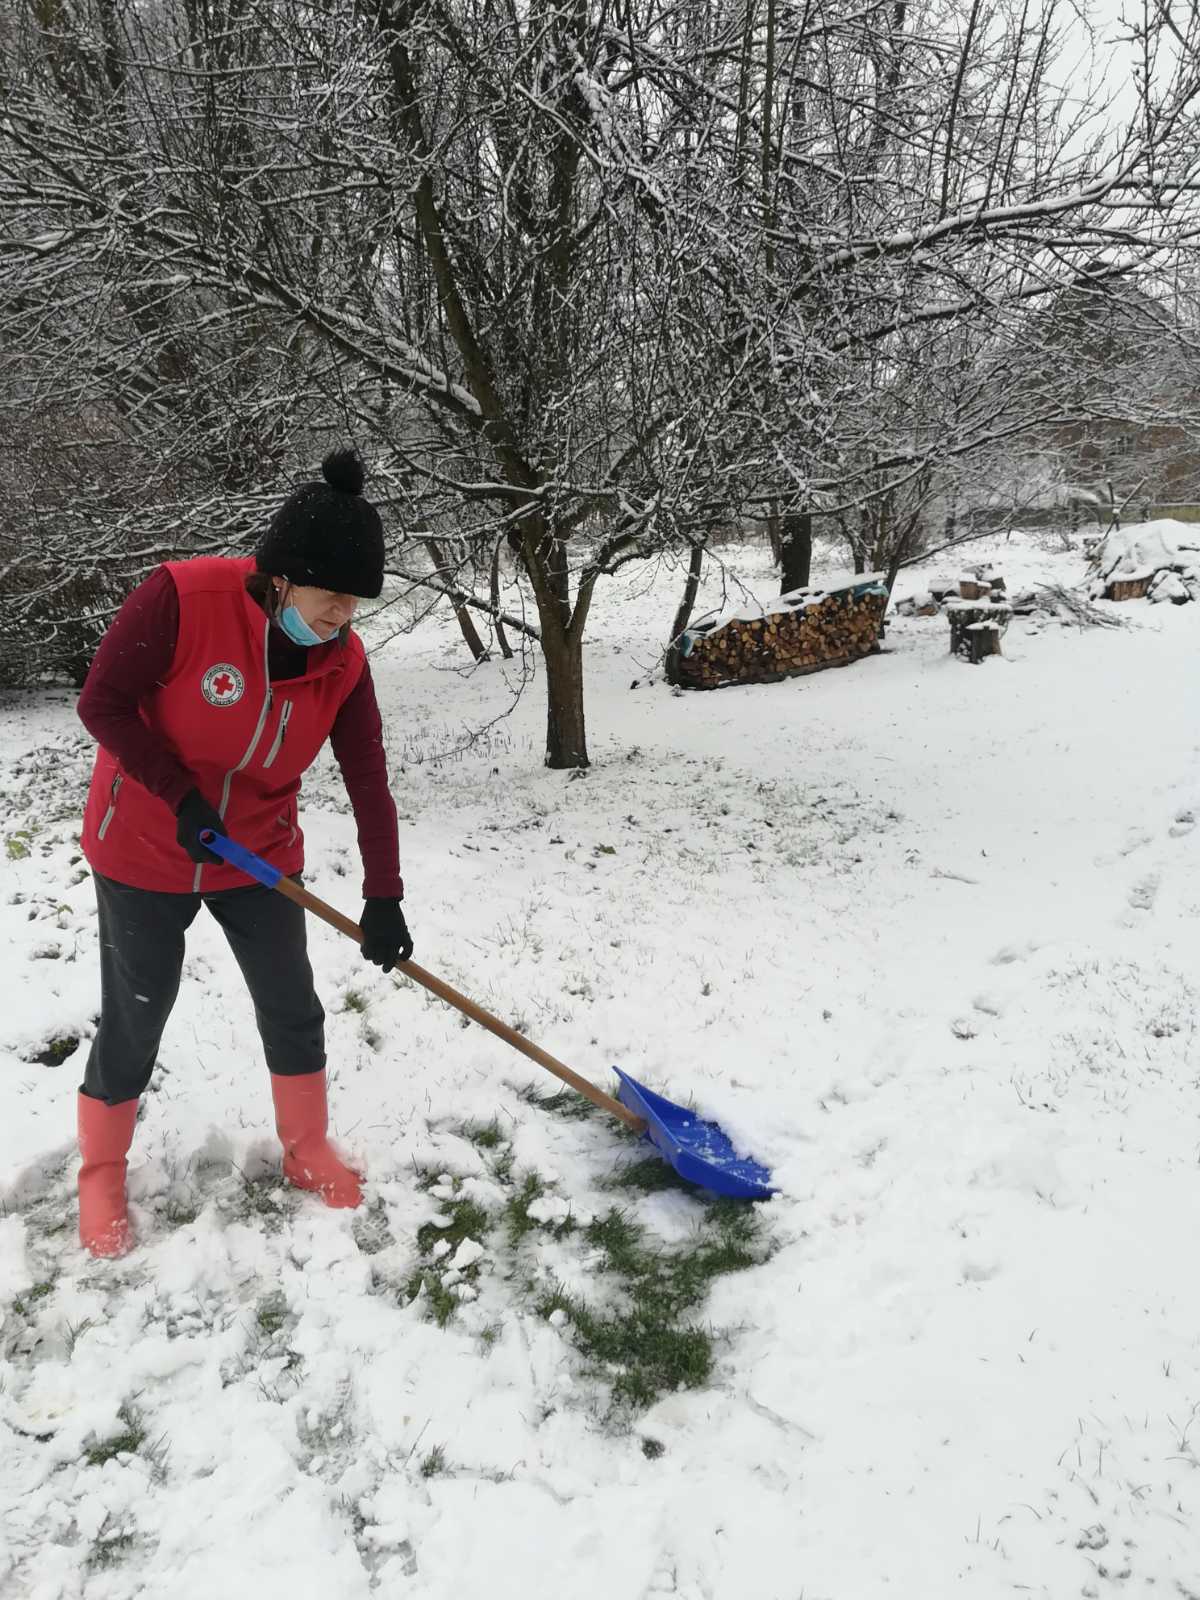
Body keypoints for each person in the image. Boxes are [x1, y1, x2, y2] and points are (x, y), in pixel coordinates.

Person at [73, 448, 412, 1258]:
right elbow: (103, 702)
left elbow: (367, 775)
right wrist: (178, 796)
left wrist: (384, 893)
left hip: (256, 854)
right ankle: (102, 1171)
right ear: (284, 580)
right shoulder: (183, 600)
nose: (341, 620)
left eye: (355, 607)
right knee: (138, 1013)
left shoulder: (343, 662)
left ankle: (306, 1148)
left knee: (292, 1004)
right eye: (332, 600)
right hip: (147, 844)